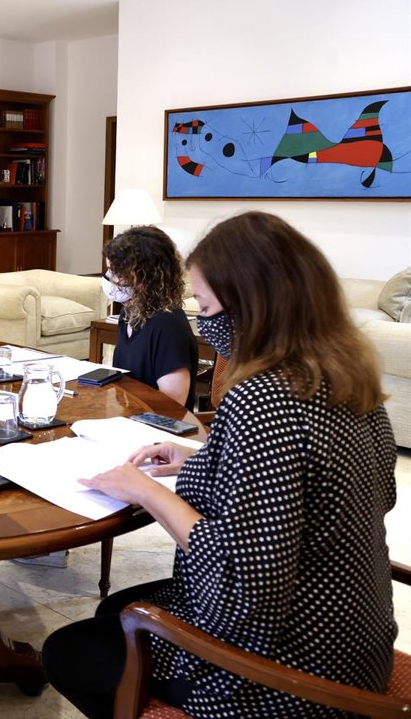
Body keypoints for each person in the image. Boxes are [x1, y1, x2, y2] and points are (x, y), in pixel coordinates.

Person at [42, 212, 397, 718]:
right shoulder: (350, 382)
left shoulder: (263, 400)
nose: (203, 322)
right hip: (356, 640)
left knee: (67, 652)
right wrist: (203, 460)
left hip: (286, 674)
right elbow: (341, 490)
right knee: (113, 611)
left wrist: (145, 490)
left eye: (206, 307)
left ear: (252, 308)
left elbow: (240, 583)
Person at [102, 225, 198, 408]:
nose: (108, 277)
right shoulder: (129, 314)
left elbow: (171, 406)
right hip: (128, 415)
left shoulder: (168, 326)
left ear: (142, 276)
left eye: (114, 271)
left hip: (158, 422)